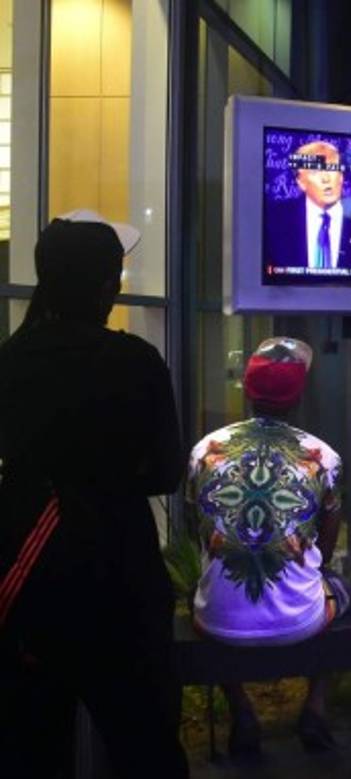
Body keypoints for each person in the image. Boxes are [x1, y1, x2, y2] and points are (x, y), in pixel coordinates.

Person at [0, 210, 188, 776]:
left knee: (32, 750)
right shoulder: (134, 361)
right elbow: (165, 474)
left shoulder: (10, 360)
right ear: (107, 286)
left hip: (32, 584)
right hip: (122, 576)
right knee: (147, 746)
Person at [189, 337, 351, 756]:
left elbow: (199, 528)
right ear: (298, 396)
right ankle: (315, 707)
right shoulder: (322, 457)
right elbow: (327, 537)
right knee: (342, 591)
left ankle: (241, 708)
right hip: (300, 620)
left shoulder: (204, 450)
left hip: (216, 620)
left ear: (246, 390)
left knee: (215, 590)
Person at [265, 139, 351, 271]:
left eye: (332, 169)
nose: (326, 179)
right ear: (301, 182)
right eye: (315, 171)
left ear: (341, 176)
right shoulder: (273, 221)